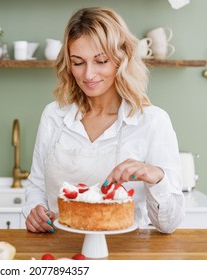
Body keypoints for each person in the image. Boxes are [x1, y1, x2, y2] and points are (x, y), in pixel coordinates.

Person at [22, 7, 185, 234]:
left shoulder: (152, 122)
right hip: (60, 254)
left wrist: (155, 177)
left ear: (122, 59)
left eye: (100, 61)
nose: (88, 74)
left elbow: (169, 224)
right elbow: (37, 186)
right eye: (78, 62)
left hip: (124, 257)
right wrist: (35, 210)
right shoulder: (54, 116)